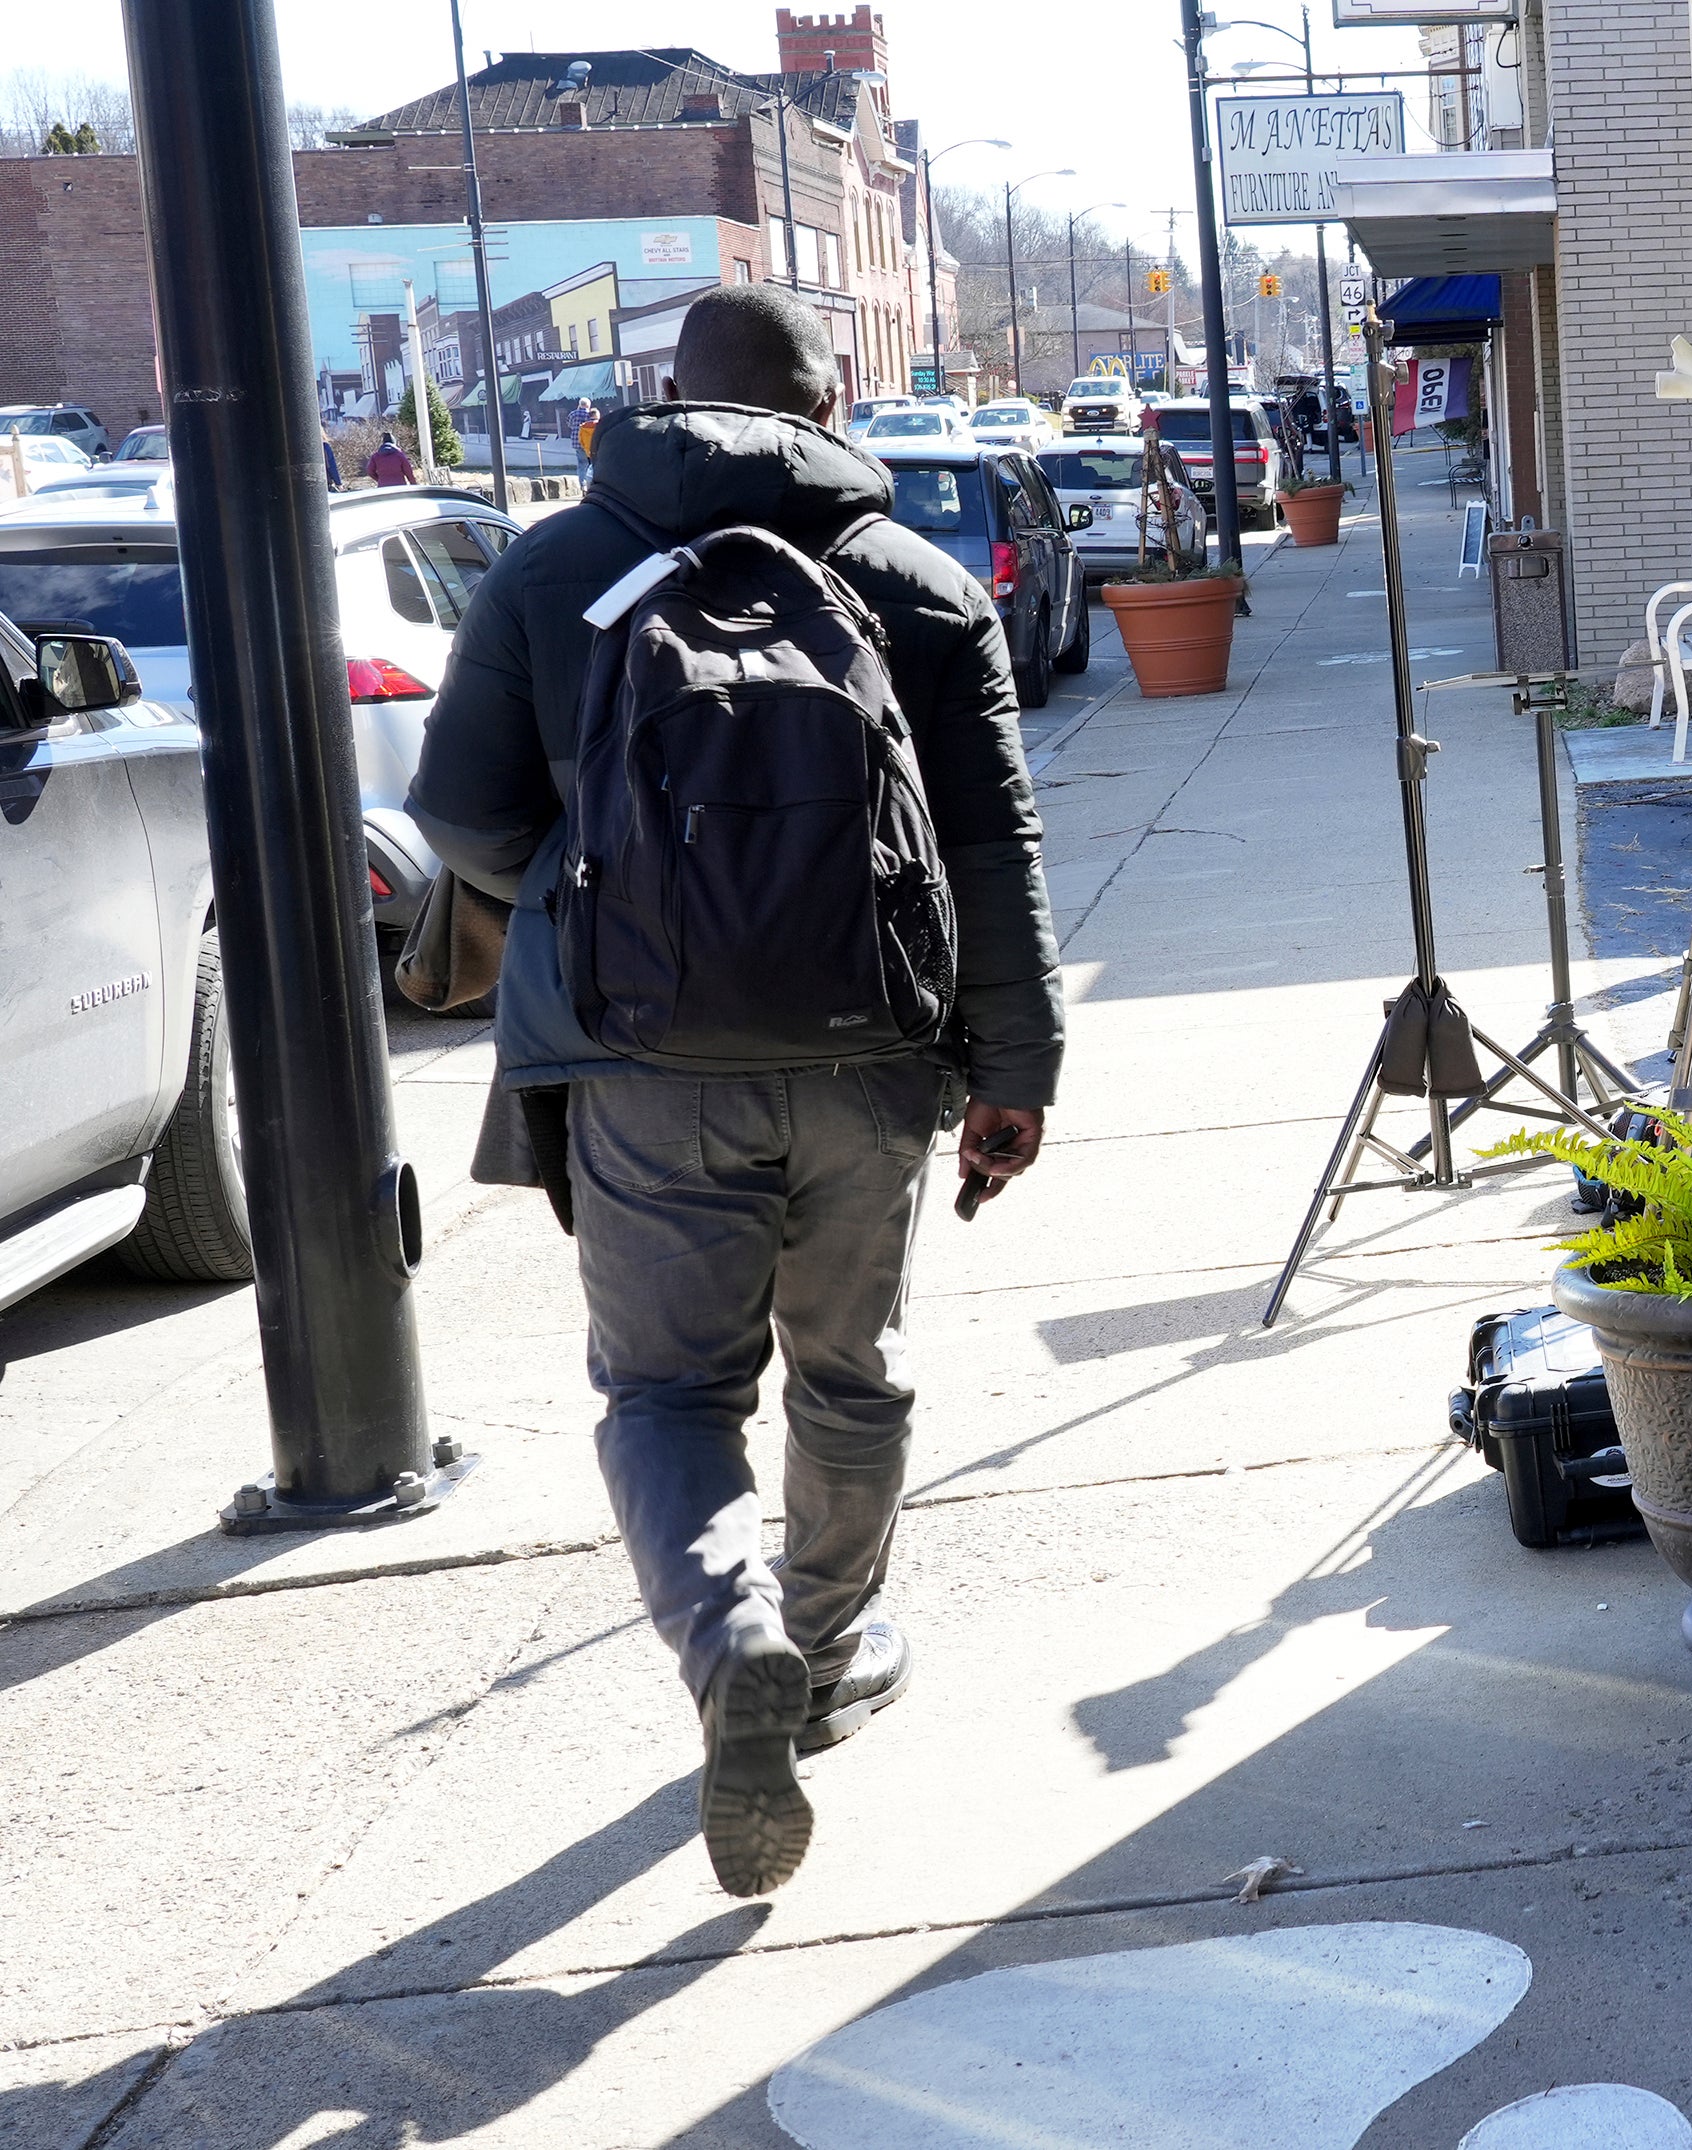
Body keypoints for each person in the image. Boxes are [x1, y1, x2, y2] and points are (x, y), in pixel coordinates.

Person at [406, 284, 1062, 1896]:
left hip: (639, 1067)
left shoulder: (555, 567)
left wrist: (601, 902)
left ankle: (731, 1646)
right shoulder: (911, 582)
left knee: (666, 1395)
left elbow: (461, 816)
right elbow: (989, 848)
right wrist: (1018, 1062)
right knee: (853, 1372)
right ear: (828, 409)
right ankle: (827, 1652)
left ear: (660, 400)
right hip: (873, 1054)